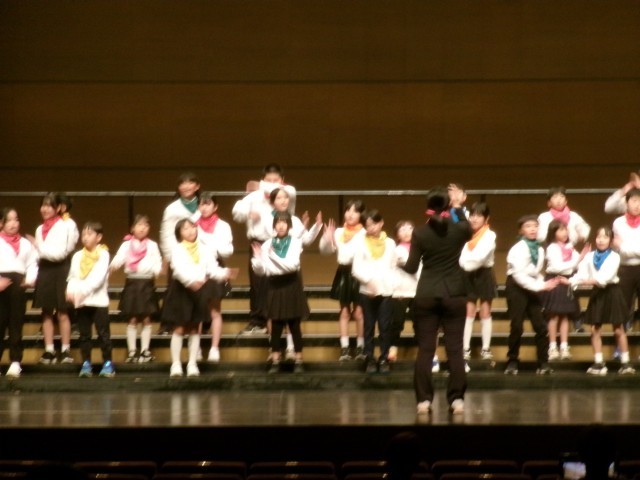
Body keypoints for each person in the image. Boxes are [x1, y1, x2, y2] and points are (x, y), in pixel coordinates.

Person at [403, 187, 471, 415]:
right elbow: (468, 228)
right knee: (455, 349)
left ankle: (423, 401)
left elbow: (412, 267)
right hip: (454, 293)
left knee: (425, 350)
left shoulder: (420, 233)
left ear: (428, 206)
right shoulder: (459, 229)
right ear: (447, 206)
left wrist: (397, 264)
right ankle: (457, 400)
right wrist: (458, 207)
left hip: (427, 293)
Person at [162, 218, 236, 378]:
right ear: (179, 233)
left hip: (198, 292)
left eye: (192, 227)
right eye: (185, 229)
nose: (190, 231)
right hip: (182, 291)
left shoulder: (204, 248)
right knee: (179, 329)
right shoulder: (177, 249)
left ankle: (192, 363)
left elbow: (212, 268)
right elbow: (177, 270)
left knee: (195, 329)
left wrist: (225, 273)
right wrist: (191, 282)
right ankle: (176, 364)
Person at [232, 163, 297, 335]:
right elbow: (236, 212)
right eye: (268, 180)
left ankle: (280, 322)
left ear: (282, 180)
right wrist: (248, 214)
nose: (272, 183)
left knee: (279, 284)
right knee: (257, 284)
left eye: (276, 180)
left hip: (279, 242)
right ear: (263, 179)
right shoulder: (255, 196)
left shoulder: (287, 194)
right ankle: (257, 321)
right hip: (258, 244)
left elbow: (285, 190)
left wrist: (259, 185)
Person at [568, 226, 635, 375]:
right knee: (595, 329)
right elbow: (581, 273)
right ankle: (598, 362)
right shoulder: (590, 256)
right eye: (599, 237)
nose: (601, 240)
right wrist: (570, 281)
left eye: (605, 237)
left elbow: (605, 278)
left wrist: (584, 281)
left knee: (618, 328)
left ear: (610, 240)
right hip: (597, 293)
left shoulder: (614, 256)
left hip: (612, 292)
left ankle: (625, 362)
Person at [252, 212, 309, 374]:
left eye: (284, 222)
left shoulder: (295, 242)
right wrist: (257, 259)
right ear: (274, 225)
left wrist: (272, 257)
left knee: (294, 325)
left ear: (289, 225)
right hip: (274, 286)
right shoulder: (267, 245)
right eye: (278, 222)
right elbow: (262, 271)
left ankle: (299, 360)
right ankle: (275, 360)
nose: (281, 225)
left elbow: (292, 266)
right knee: (276, 326)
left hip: (291, 285)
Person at [504, 215, 559, 375]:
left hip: (532, 286)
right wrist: (541, 286)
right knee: (517, 325)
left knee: (540, 326)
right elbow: (519, 275)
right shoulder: (517, 249)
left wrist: (544, 283)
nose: (533, 229)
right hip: (516, 287)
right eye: (528, 226)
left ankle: (543, 362)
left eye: (535, 226)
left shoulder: (540, 249)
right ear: (521, 230)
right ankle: (512, 360)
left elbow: (534, 272)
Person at [31, 192, 79, 364]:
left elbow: (61, 254)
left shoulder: (67, 225)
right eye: (43, 205)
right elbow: (38, 255)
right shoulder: (39, 229)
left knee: (62, 311)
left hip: (61, 269)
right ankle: (49, 350)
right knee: (46, 312)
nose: (44, 209)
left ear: (58, 208)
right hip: (45, 270)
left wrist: (38, 247)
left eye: (49, 205)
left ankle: (65, 349)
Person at [109, 214, 162, 363]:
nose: (142, 228)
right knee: (131, 319)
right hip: (132, 283)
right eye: (139, 225)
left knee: (146, 318)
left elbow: (157, 261)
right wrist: (111, 267)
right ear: (132, 228)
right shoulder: (126, 245)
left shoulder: (152, 245)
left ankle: (145, 351)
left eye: (146, 225)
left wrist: (158, 270)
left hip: (147, 283)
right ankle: (132, 352)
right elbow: (118, 259)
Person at [319, 200, 367, 361]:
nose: (350, 214)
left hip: (359, 272)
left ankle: (361, 348)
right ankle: (345, 348)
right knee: (344, 311)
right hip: (344, 272)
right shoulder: (339, 232)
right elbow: (325, 251)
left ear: (361, 214)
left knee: (359, 312)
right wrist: (328, 238)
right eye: (348, 210)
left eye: (355, 211)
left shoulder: (365, 232)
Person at [352, 209, 397, 375]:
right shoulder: (361, 242)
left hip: (386, 290)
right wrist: (368, 281)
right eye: (368, 225)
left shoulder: (390, 243)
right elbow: (356, 269)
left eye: (374, 224)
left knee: (385, 326)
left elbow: (393, 267)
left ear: (381, 223)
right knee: (369, 326)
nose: (371, 228)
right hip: (367, 290)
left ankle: (384, 358)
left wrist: (393, 285)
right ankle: (369, 358)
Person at [66, 222, 113, 378]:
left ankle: (108, 363)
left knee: (103, 334)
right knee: (84, 335)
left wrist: (82, 292)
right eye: (84, 234)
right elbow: (72, 277)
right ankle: (86, 363)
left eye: (89, 234)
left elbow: (98, 278)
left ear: (98, 237)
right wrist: (70, 290)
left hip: (99, 301)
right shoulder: (77, 256)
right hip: (82, 302)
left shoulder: (103, 254)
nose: (85, 237)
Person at [157, 172, 202, 335]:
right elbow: (166, 234)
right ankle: (167, 324)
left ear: (197, 186)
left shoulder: (203, 204)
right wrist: (170, 256)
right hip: (179, 255)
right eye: (183, 183)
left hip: (198, 254)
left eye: (190, 183)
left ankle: (200, 324)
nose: (186, 186)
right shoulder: (172, 208)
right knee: (173, 290)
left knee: (200, 289)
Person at [196, 192, 234, 363]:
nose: (204, 207)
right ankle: (196, 348)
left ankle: (214, 348)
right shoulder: (192, 224)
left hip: (215, 265)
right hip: (196, 268)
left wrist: (210, 243)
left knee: (215, 310)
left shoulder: (223, 226)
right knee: (197, 311)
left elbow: (227, 250)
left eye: (208, 204)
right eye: (201, 204)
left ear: (215, 206)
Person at [0, 207, 38, 378]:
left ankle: (15, 362)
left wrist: (29, 279)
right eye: (9, 220)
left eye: (16, 219)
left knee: (16, 323)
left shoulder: (25, 243)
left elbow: (32, 264)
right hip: (1, 283)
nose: (14, 223)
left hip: (18, 285)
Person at [543, 220, 589, 361]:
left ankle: (564, 346)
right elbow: (558, 267)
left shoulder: (570, 247)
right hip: (555, 280)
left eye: (565, 229)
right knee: (553, 315)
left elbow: (577, 265)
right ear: (553, 232)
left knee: (564, 315)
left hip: (567, 282)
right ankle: (552, 347)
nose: (565, 233)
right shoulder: (552, 248)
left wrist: (580, 259)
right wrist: (578, 259)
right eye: (560, 230)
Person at [459, 202, 497, 362]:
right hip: (467, 275)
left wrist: (465, 262)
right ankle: (465, 348)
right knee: (468, 312)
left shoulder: (490, 235)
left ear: (486, 218)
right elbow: (461, 254)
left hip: (484, 274)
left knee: (485, 311)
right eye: (473, 215)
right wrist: (465, 262)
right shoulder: (466, 233)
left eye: (479, 216)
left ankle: (486, 348)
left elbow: (479, 258)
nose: (474, 219)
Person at [388, 220, 418, 363]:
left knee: (420, 322)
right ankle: (392, 349)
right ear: (397, 234)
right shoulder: (396, 250)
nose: (406, 232)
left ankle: (424, 351)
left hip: (418, 291)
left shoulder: (420, 248)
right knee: (397, 322)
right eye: (402, 229)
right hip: (400, 291)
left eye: (409, 228)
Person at [612, 187, 640, 337]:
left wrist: (623, 246)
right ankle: (620, 345)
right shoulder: (618, 222)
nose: (637, 205)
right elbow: (618, 250)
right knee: (622, 307)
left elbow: (622, 248)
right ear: (627, 203)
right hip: (624, 269)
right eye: (634, 201)